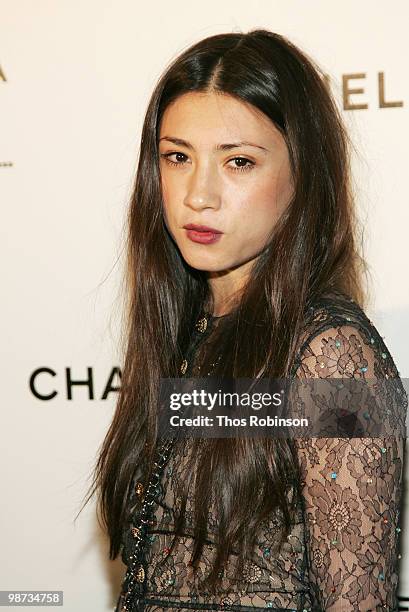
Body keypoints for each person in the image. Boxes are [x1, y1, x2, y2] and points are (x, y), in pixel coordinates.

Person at [83, 29, 407, 611]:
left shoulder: (332, 357)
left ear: (301, 176)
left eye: (238, 162)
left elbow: (358, 602)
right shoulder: (185, 333)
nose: (198, 195)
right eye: (177, 157)